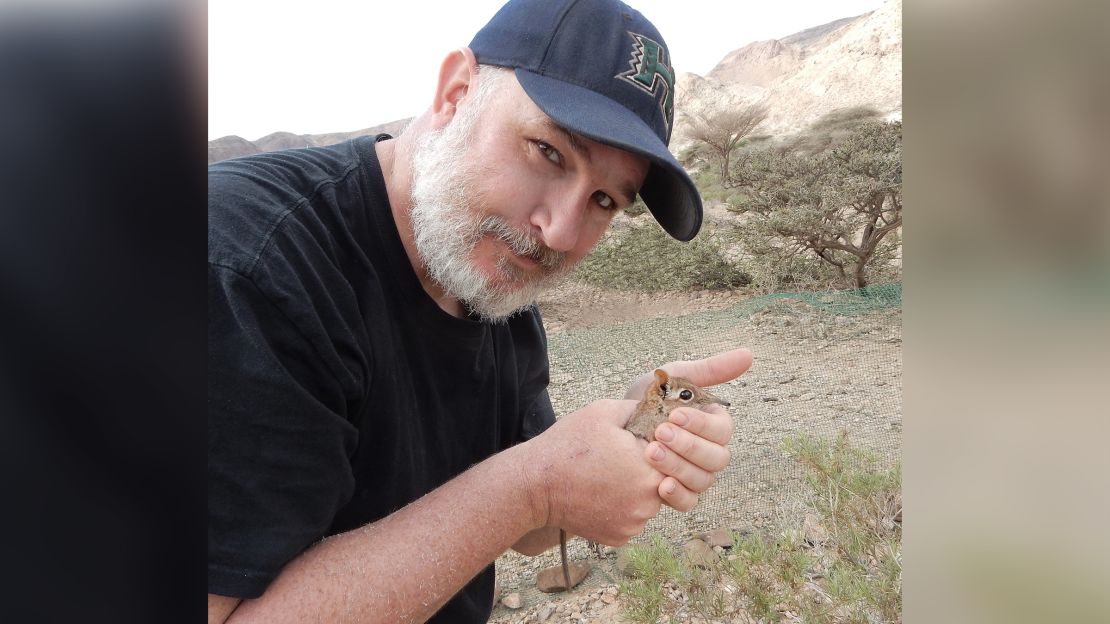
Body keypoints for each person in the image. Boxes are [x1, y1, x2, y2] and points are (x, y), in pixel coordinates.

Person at [207, 0, 753, 622]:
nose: (559, 233)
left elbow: (529, 533)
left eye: (603, 199)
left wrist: (631, 433)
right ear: (455, 92)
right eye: (548, 152)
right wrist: (533, 486)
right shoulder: (247, 267)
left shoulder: (491, 285)